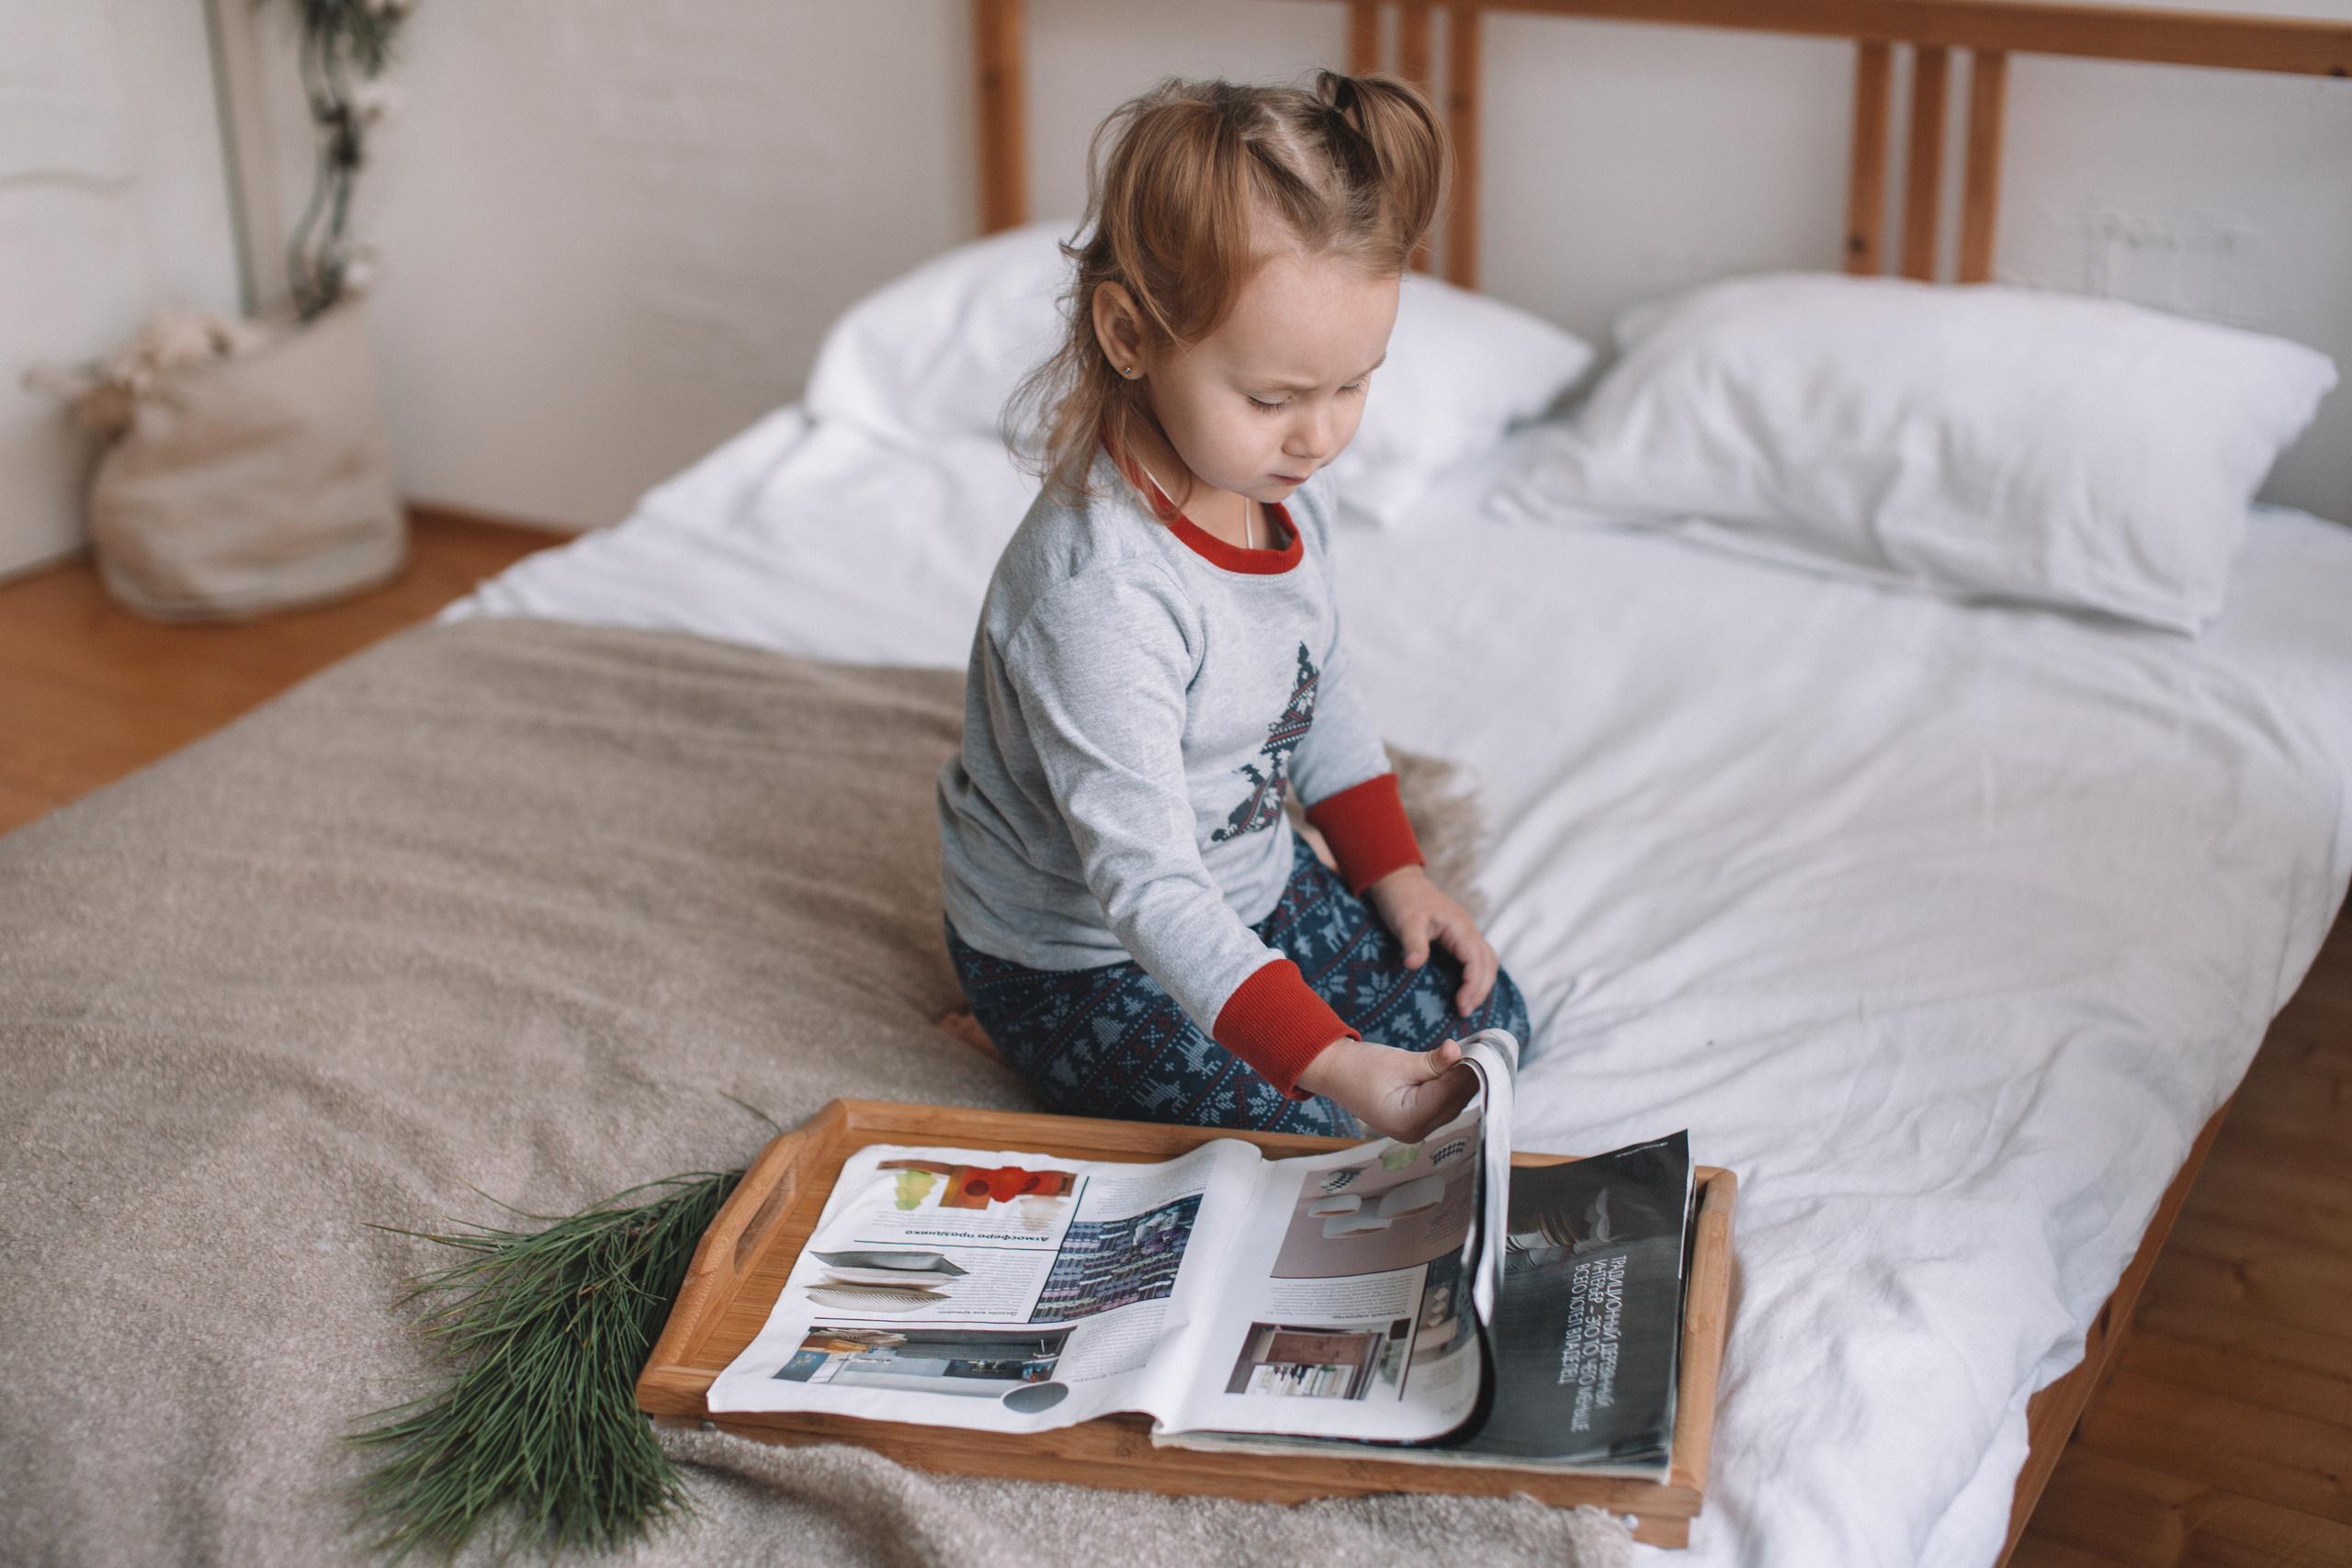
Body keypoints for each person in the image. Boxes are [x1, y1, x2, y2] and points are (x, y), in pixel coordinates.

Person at [936, 73, 1529, 1144]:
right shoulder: (1099, 596)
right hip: (1082, 951)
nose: (1321, 437)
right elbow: (1150, 888)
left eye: (1352, 384)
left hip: (1250, 880)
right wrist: (1337, 1063)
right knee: (1318, 1134)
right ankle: (1013, 1029)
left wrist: (1396, 874)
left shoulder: (1283, 482)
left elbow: (1316, 681)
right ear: (1129, 335)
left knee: (1490, 1032)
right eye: (1272, 398)